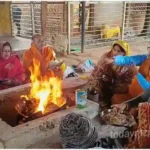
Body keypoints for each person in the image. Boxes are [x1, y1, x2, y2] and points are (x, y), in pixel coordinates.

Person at [88, 40, 135, 107]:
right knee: (94, 83)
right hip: (106, 82)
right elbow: (98, 70)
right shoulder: (106, 57)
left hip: (118, 87)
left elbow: (128, 82)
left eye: (119, 51)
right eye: (114, 49)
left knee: (119, 90)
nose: (115, 52)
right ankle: (97, 102)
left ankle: (108, 103)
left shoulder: (128, 64)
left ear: (124, 53)